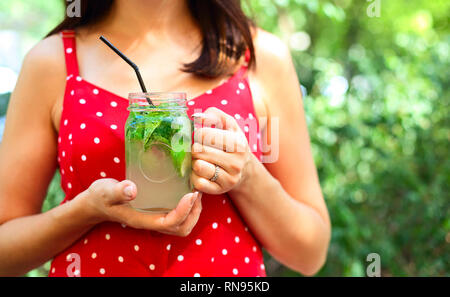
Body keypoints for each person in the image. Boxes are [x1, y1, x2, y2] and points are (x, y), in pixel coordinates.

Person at [0, 0, 330, 277]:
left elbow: (309, 253)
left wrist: (247, 175)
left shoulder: (260, 57)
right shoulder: (52, 62)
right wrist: (86, 211)